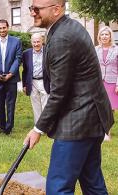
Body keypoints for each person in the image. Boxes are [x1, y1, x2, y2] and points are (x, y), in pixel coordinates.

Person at [24, 1, 114, 194]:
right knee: (93, 184)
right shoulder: (68, 27)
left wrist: (37, 129)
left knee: (58, 188)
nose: (33, 13)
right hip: (91, 118)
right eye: (32, 8)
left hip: (78, 122)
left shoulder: (62, 37)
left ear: (56, 9)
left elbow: (59, 93)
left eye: (37, 9)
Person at [0, 19, 22, 135]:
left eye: (4, 27)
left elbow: (18, 58)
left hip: (11, 78)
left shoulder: (16, 41)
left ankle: (9, 127)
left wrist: (10, 74)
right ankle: (2, 126)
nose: (2, 30)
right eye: (0, 28)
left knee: (10, 103)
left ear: (8, 27)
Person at [95, 26, 118, 141]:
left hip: (112, 83)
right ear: (99, 37)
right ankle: (102, 132)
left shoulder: (116, 49)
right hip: (99, 83)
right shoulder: (95, 49)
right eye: (102, 35)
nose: (104, 36)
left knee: (110, 108)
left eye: (106, 34)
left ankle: (107, 133)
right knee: (100, 107)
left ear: (110, 36)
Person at [22, 33, 50, 124]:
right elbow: (25, 71)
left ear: (42, 41)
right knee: (35, 105)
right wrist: (24, 85)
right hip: (32, 82)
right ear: (31, 42)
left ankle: (46, 125)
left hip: (44, 81)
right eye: (34, 42)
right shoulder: (26, 54)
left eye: (38, 42)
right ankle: (38, 126)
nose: (36, 44)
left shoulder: (48, 51)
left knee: (46, 104)